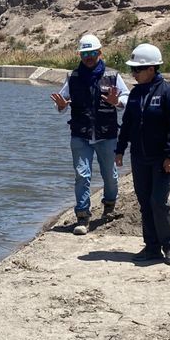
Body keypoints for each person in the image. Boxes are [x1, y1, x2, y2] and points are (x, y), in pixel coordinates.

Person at [51, 33, 130, 235]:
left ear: (100, 53)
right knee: (82, 175)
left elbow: (127, 97)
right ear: (79, 55)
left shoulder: (112, 76)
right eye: (84, 54)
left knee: (110, 176)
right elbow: (62, 102)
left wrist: (117, 102)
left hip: (107, 134)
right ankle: (82, 217)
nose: (88, 57)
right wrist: (61, 106)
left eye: (92, 53)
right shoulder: (73, 77)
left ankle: (109, 206)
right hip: (81, 135)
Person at [114, 43, 170, 265]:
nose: (133, 73)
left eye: (137, 69)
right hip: (139, 157)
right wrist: (120, 149)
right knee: (144, 202)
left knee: (158, 202)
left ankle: (169, 245)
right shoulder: (135, 94)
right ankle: (151, 247)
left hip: (161, 159)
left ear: (151, 69)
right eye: (132, 69)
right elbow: (127, 124)